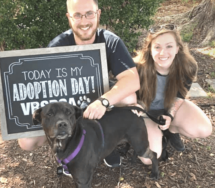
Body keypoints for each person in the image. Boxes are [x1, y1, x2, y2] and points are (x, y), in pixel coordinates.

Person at [18, 0, 140, 168]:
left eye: (89, 13)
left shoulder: (110, 41)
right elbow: (44, 90)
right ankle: (67, 150)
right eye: (77, 15)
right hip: (68, 108)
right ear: (69, 18)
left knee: (129, 98)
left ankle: (108, 143)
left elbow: (132, 79)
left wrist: (104, 101)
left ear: (98, 14)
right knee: (26, 141)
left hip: (98, 99)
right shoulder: (57, 46)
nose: (84, 21)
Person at [133, 24, 212, 164]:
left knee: (204, 129)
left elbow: (180, 95)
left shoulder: (188, 67)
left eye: (169, 46)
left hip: (169, 108)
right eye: (157, 47)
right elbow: (129, 95)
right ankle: (153, 134)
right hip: (145, 113)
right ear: (149, 49)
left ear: (177, 48)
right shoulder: (137, 67)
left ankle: (171, 131)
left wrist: (170, 115)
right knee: (148, 160)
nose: (163, 53)